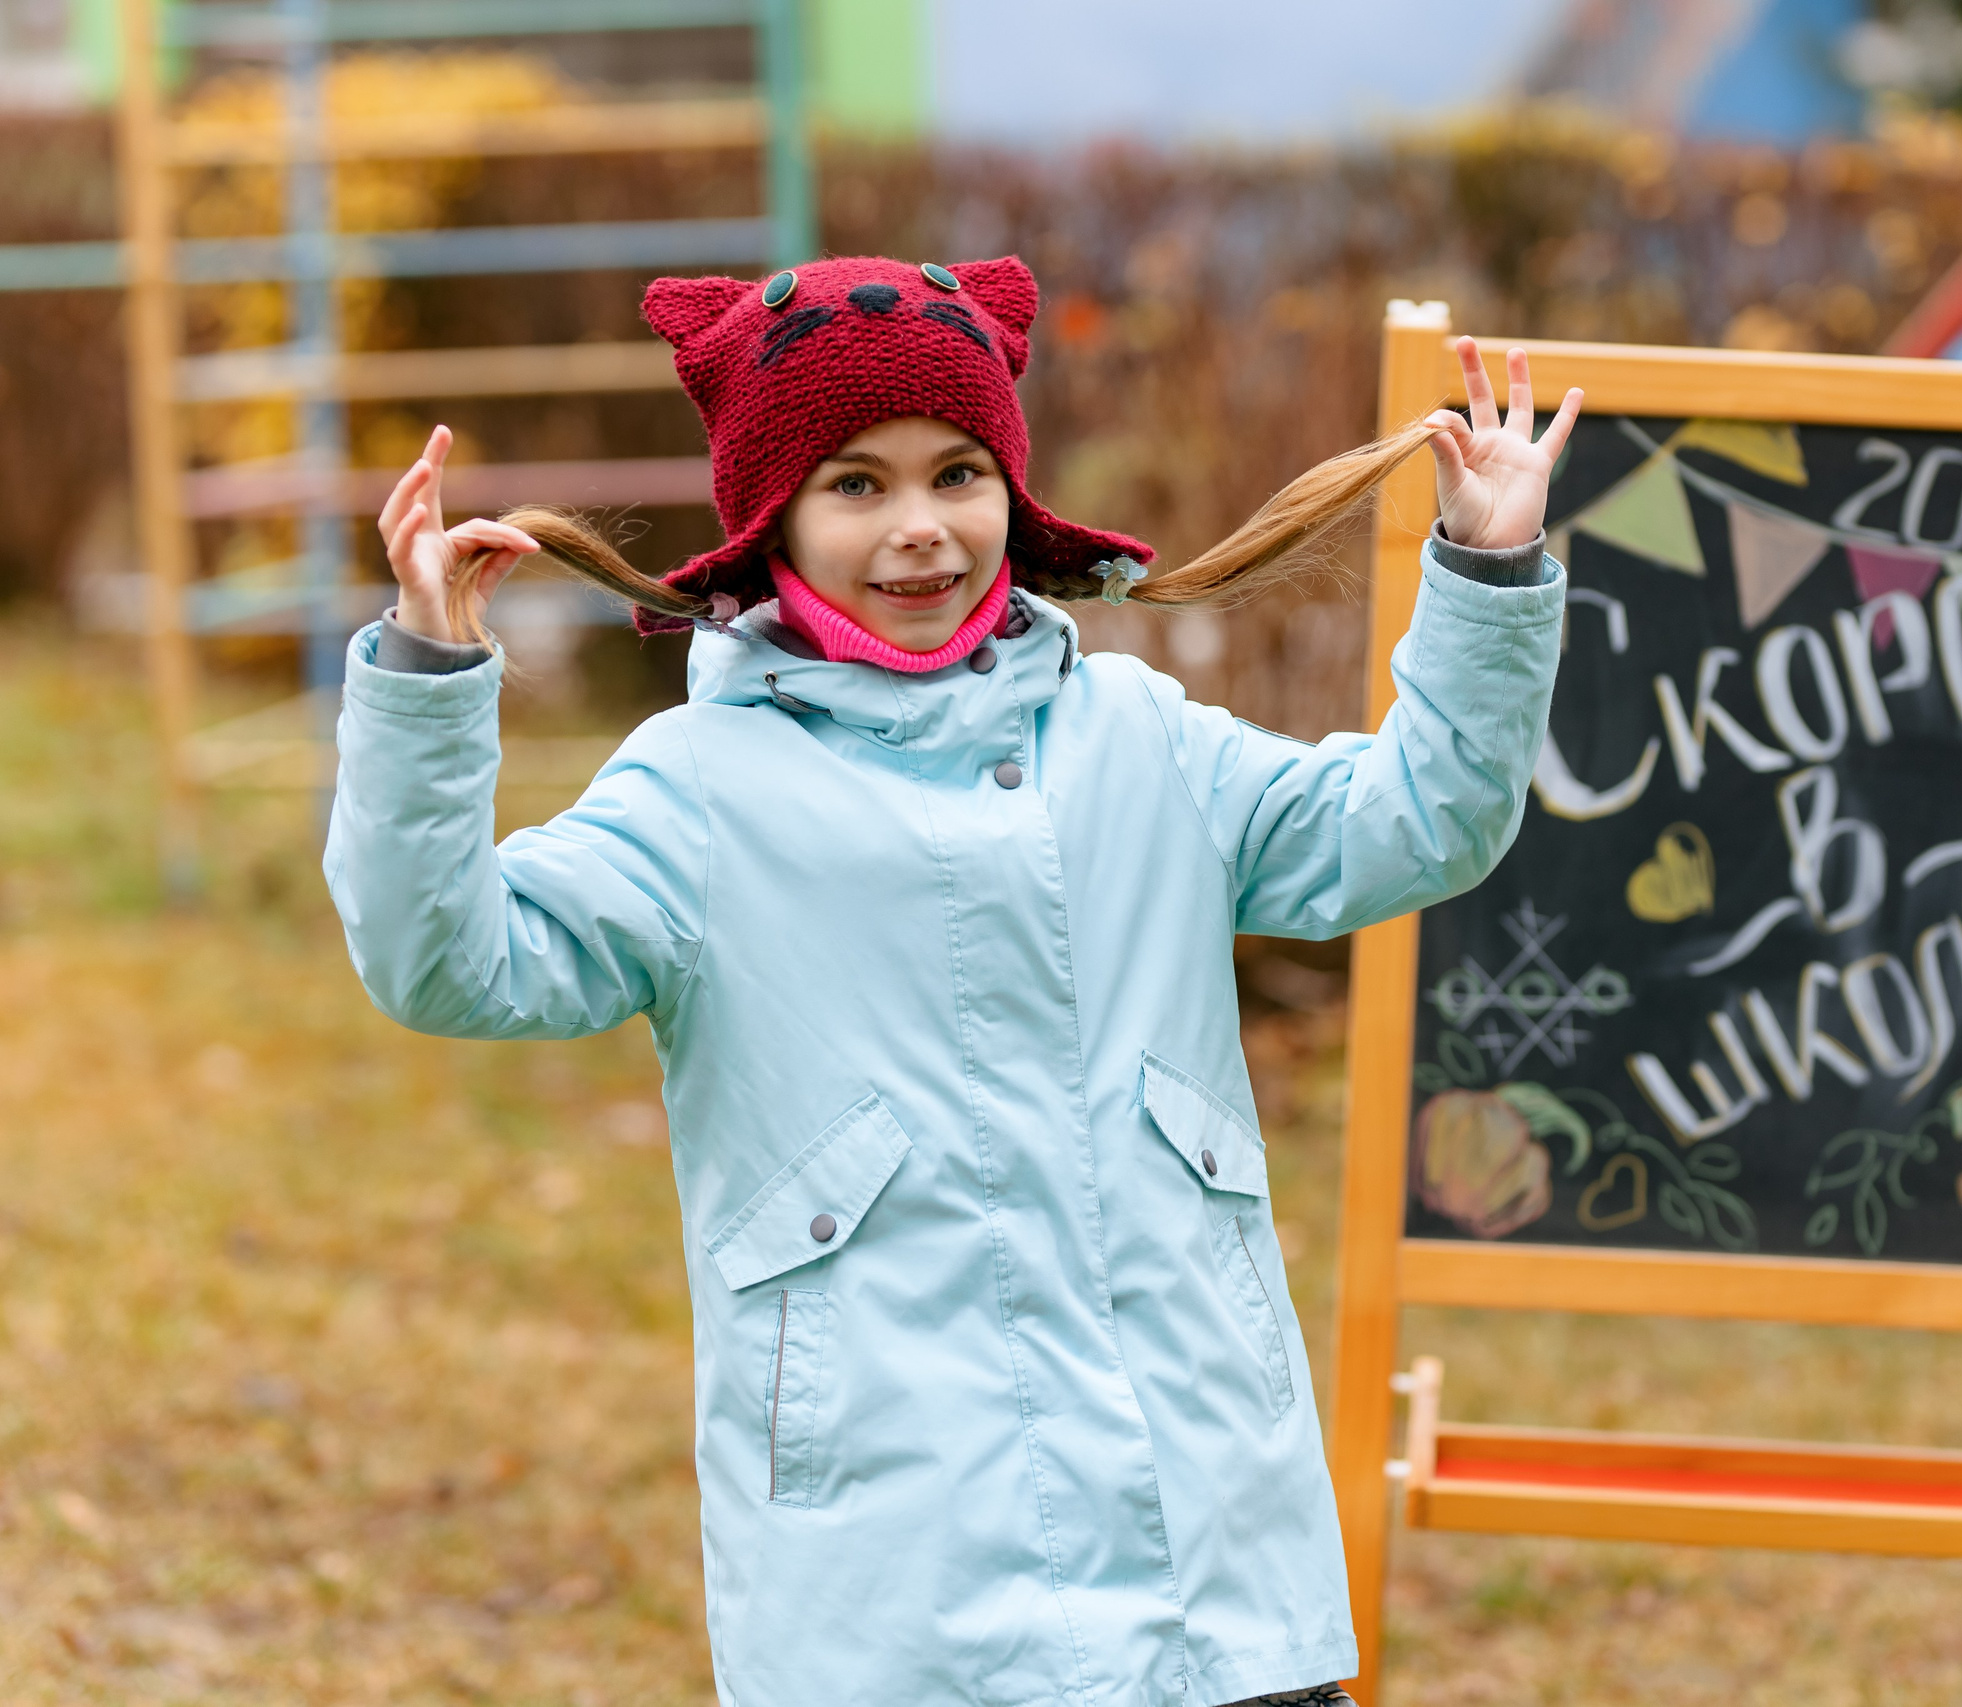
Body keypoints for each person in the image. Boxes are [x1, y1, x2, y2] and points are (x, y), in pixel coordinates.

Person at [326, 253, 1579, 1707]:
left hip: (1212, 1571)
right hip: (901, 1602)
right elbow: (449, 962)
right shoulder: (700, 791)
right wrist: (423, 683)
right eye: (855, 485)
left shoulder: (1137, 735)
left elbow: (1419, 821)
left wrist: (1487, 578)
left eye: (958, 475)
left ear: (1014, 493)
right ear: (772, 520)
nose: (920, 531)